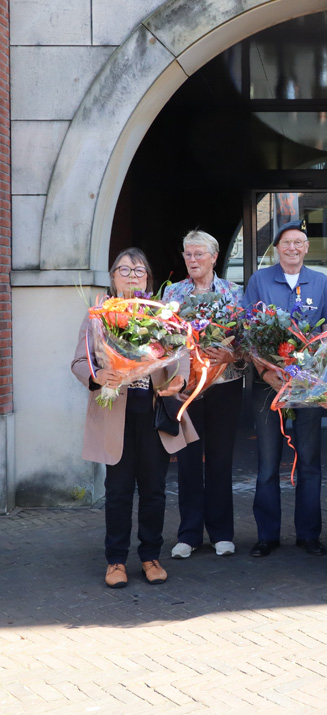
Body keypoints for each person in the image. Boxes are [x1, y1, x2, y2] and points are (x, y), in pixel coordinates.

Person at [71, 248, 195, 588]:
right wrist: (99, 376)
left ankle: (150, 556)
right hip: (116, 415)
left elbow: (180, 352)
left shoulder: (160, 315)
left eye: (139, 271)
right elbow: (80, 361)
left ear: (148, 279)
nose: (131, 276)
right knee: (119, 491)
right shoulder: (98, 316)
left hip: (154, 413)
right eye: (124, 270)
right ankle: (115, 561)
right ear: (113, 277)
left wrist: (180, 379)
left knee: (154, 490)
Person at [241, 219, 327, 558]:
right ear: (277, 249)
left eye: (298, 242)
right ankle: (266, 536)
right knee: (268, 463)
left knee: (310, 461)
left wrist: (314, 371)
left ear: (306, 247)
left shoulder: (321, 282)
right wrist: (264, 370)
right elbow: (246, 332)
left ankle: (308, 535)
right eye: (286, 243)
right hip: (268, 385)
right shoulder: (259, 280)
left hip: (307, 387)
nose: (292, 248)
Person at [162, 230, 244, 559]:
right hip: (187, 389)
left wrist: (232, 355)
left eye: (199, 254)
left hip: (224, 386)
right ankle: (189, 533)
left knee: (221, 460)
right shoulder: (172, 293)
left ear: (214, 256)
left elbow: (246, 341)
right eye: (188, 254)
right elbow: (163, 341)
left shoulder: (234, 293)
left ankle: (222, 533)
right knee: (188, 461)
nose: (193, 260)